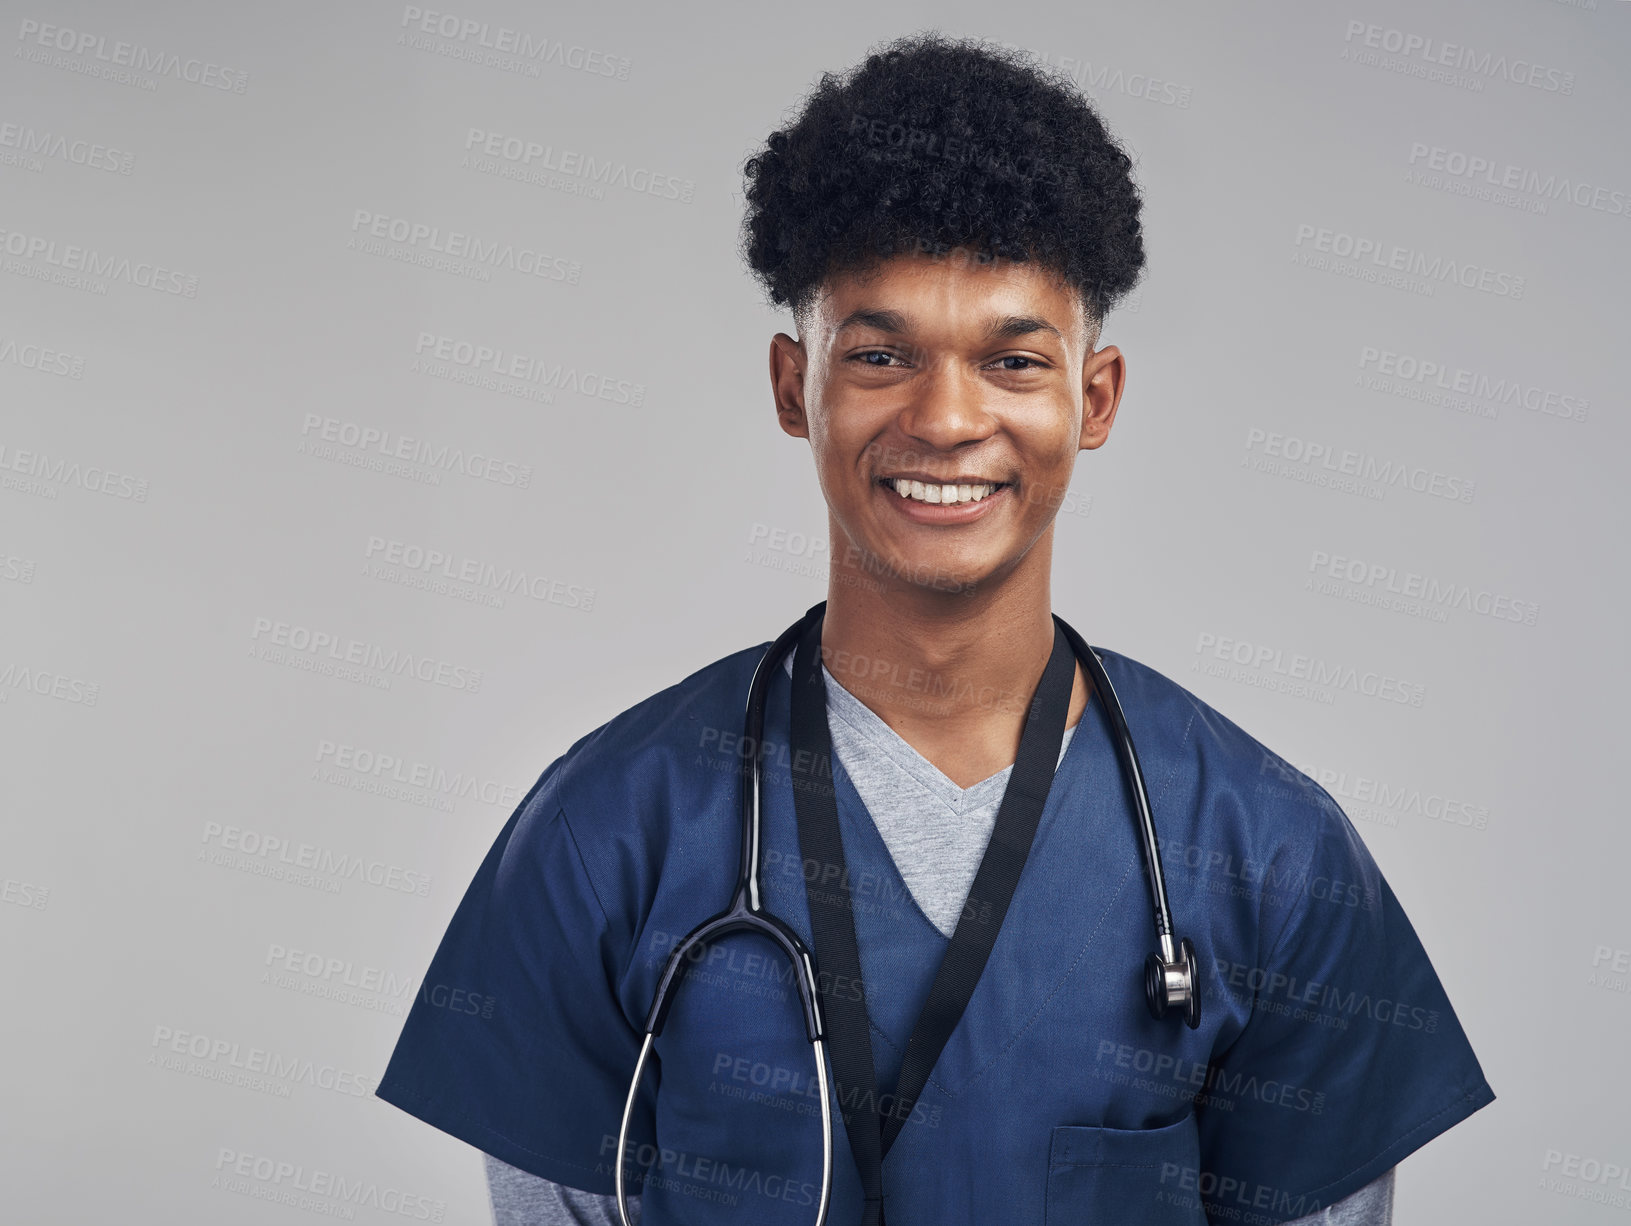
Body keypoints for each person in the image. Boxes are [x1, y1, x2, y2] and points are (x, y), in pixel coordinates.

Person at [374, 32, 1493, 1226]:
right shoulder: (605, 834)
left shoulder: (1267, 854)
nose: (947, 416)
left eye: (1012, 358)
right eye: (879, 353)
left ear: (1093, 397)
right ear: (791, 386)